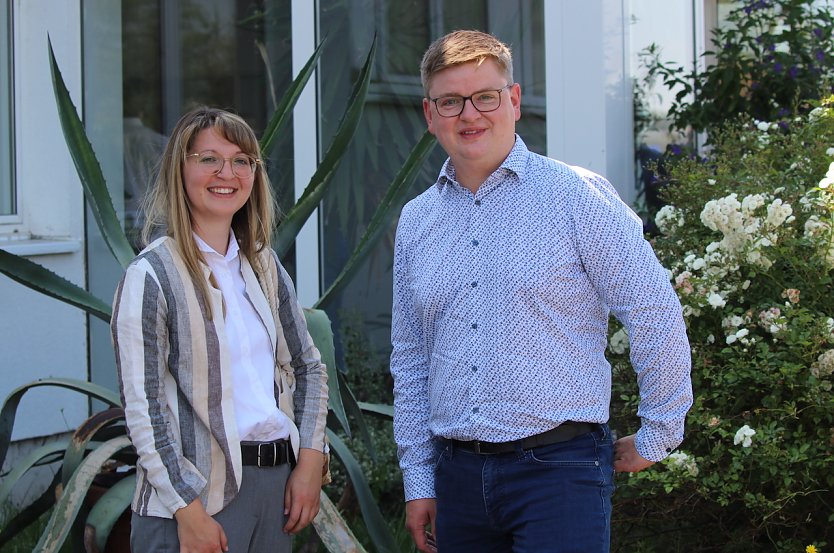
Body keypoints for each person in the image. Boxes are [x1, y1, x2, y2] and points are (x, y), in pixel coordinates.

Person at [389, 30, 692, 553]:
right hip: (457, 477)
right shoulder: (417, 221)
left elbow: (651, 309)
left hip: (560, 472)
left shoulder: (575, 195)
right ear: (429, 113)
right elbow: (412, 359)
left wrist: (659, 430)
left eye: (485, 96)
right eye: (450, 101)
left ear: (514, 100)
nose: (470, 114)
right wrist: (419, 481)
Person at [111, 106, 329, 553]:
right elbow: (144, 409)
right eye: (208, 158)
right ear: (180, 169)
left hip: (274, 493)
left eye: (241, 160)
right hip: (193, 503)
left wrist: (309, 460)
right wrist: (187, 511)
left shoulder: (263, 265)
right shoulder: (152, 276)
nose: (226, 173)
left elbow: (308, 367)